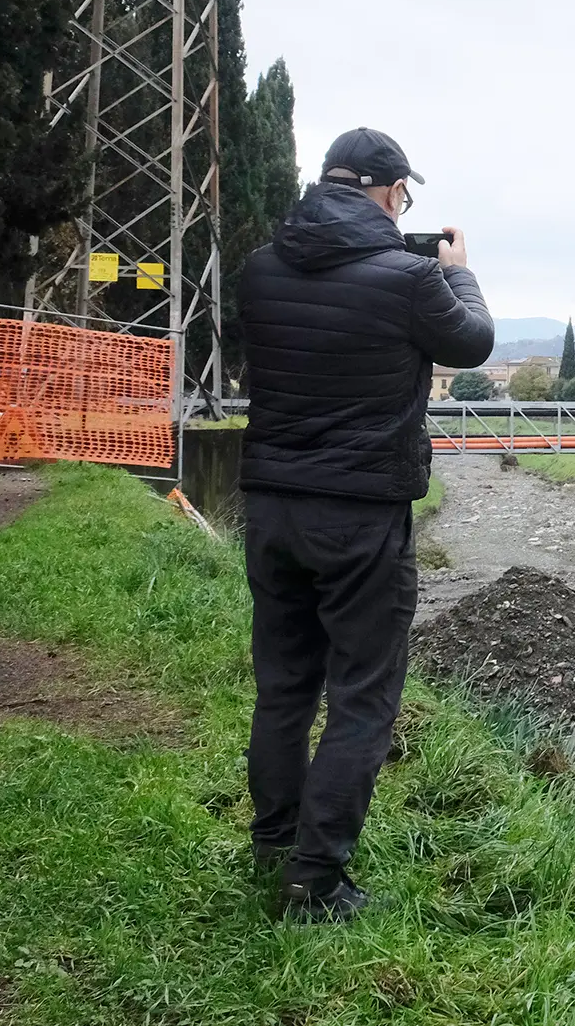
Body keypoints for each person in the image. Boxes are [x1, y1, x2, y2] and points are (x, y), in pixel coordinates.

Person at [236, 127, 493, 921]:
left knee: (282, 686)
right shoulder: (411, 277)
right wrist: (461, 271)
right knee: (362, 697)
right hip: (359, 517)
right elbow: (474, 342)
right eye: (404, 195)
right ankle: (315, 882)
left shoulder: (257, 269)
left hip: (271, 504)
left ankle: (275, 844)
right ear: (387, 191)